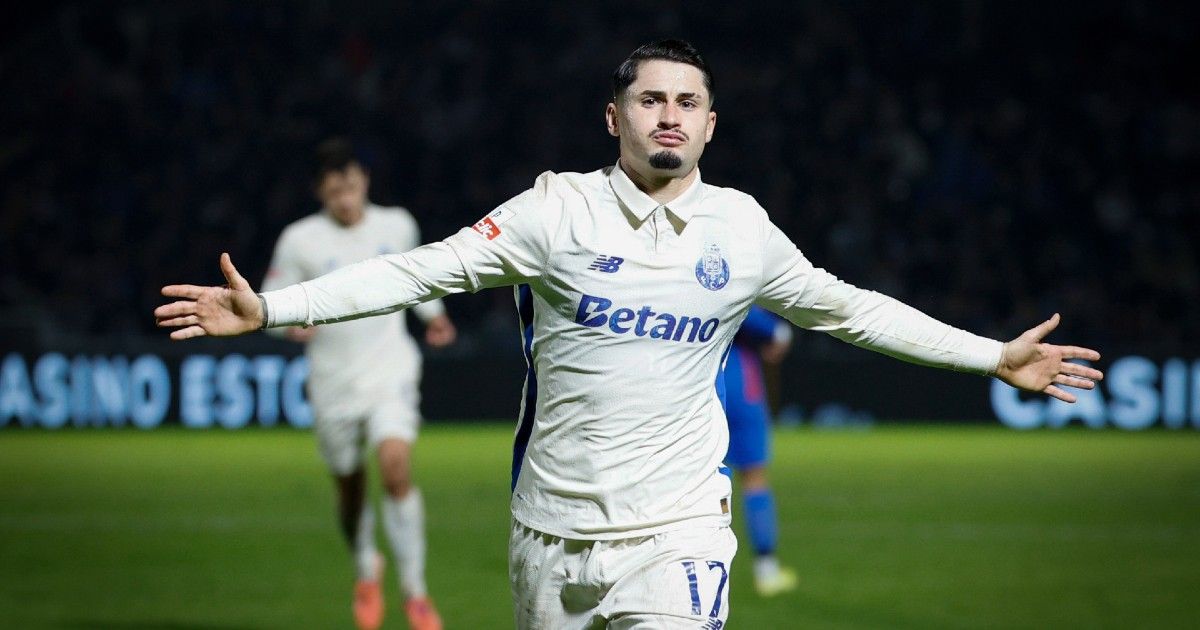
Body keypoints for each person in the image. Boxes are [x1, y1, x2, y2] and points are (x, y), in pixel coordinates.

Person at [155, 39, 1103, 629]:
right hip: (549, 533)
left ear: (711, 126)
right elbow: (417, 270)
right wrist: (272, 307)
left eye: (687, 102)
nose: (670, 116)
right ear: (614, 118)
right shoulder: (553, 213)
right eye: (652, 99)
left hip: (679, 531)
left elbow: (849, 308)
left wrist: (993, 356)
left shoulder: (741, 229)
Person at [260, 138, 456, 630]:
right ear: (320, 193)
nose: (345, 199)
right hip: (333, 382)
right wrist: (288, 327)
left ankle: (415, 591)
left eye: (350, 187)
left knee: (395, 469)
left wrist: (434, 316)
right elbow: (267, 301)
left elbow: (418, 280)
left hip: (390, 370)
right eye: (334, 192)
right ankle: (367, 567)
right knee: (350, 488)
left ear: (364, 181)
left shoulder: (397, 225)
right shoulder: (300, 240)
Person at [722, 305, 796, 597]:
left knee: (699, 480)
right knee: (754, 479)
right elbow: (778, 333)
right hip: (743, 386)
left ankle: (699, 566)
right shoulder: (732, 289)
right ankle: (766, 571)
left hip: (701, 387)